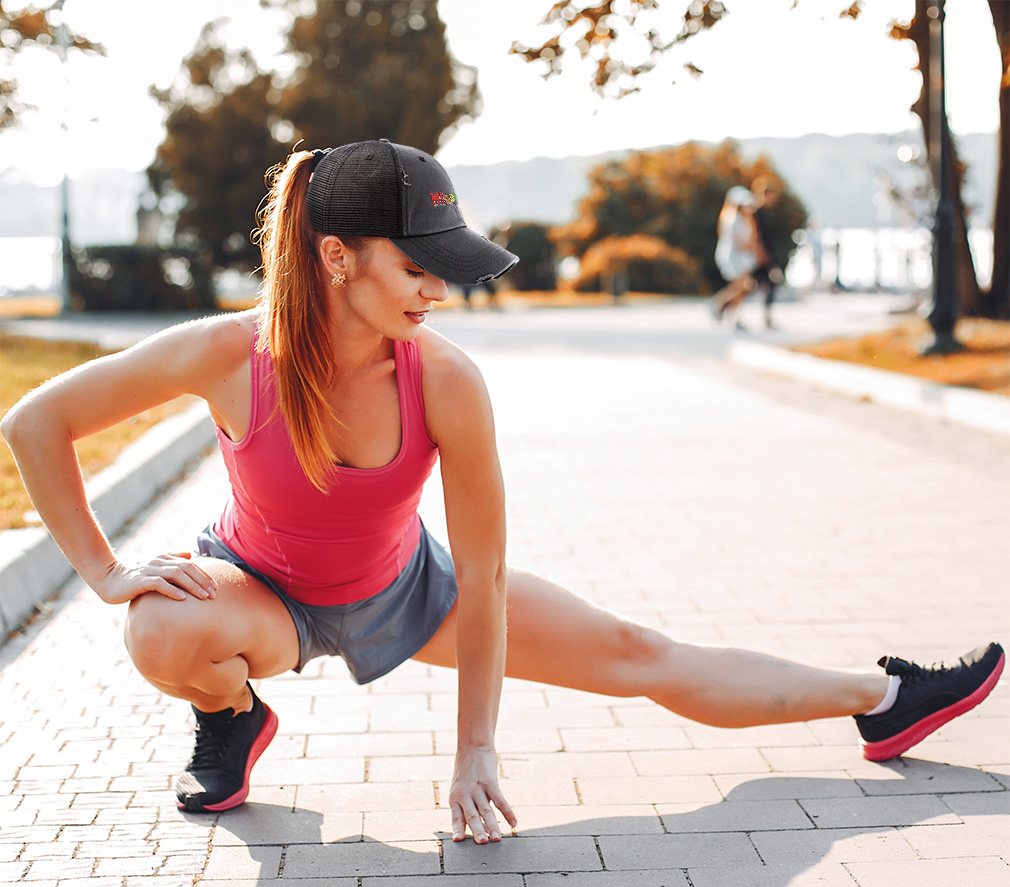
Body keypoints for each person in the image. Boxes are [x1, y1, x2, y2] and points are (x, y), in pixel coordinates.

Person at [3, 140, 1003, 846]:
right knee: (156, 631)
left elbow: (478, 573)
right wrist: (102, 569)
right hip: (258, 593)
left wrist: (473, 748)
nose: (439, 290)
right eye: (417, 267)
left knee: (639, 654)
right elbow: (34, 423)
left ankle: (878, 698)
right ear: (335, 256)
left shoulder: (443, 379)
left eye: (446, 268)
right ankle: (232, 715)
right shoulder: (228, 353)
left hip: (410, 589)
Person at [711, 185, 760, 328]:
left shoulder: (745, 220)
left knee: (744, 288)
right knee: (740, 287)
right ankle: (719, 305)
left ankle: (729, 314)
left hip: (742, 259)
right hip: (733, 258)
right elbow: (741, 244)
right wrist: (754, 248)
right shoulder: (732, 219)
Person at [750, 174, 783, 329]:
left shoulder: (766, 213)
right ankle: (722, 308)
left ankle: (767, 317)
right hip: (759, 255)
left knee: (768, 285)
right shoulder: (755, 212)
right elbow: (755, 235)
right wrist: (761, 253)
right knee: (746, 286)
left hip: (765, 254)